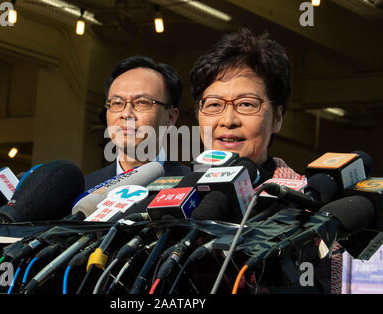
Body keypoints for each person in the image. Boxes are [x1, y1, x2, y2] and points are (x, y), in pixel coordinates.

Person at [189, 28, 341, 294]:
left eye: (247, 104)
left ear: (278, 118)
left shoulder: (307, 204)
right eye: (214, 105)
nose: (228, 120)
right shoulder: (174, 192)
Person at [84, 55, 191, 190]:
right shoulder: (85, 189)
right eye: (117, 103)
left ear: (170, 117)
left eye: (142, 102)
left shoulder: (190, 186)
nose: (126, 114)